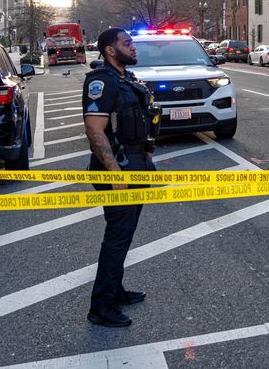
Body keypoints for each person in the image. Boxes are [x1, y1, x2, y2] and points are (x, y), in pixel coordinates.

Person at [82, 28, 160, 327]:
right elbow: (95, 130)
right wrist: (115, 173)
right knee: (116, 237)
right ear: (110, 50)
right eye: (127, 44)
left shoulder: (126, 79)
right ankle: (101, 306)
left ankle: (115, 289)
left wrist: (147, 155)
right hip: (119, 171)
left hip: (136, 165)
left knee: (124, 235)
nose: (133, 47)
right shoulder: (101, 82)